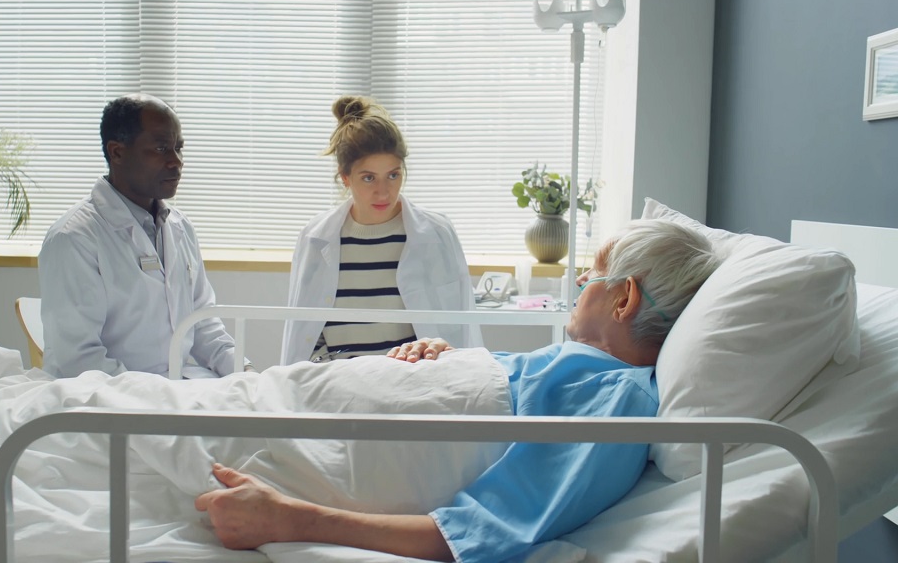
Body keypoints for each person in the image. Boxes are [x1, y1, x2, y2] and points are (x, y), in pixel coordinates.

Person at [196, 219, 722, 562]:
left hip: (321, 442)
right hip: (305, 399)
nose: (582, 279)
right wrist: (451, 360)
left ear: (624, 298)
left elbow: (475, 532)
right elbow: (513, 391)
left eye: (595, 272)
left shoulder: (619, 403)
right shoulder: (584, 366)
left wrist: (288, 519)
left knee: (140, 433)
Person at [38, 93, 247, 379]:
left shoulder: (180, 227)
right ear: (117, 152)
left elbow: (203, 325)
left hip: (177, 391)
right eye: (161, 148)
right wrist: (157, 398)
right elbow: (77, 360)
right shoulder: (74, 238)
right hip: (112, 402)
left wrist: (244, 371)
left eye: (178, 148)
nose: (176, 162)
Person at [280, 95, 483, 366]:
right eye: (368, 178)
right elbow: (305, 331)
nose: (383, 191)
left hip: (413, 379)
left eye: (393, 175)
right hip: (339, 381)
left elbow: (464, 327)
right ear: (345, 177)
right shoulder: (316, 236)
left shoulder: (437, 233)